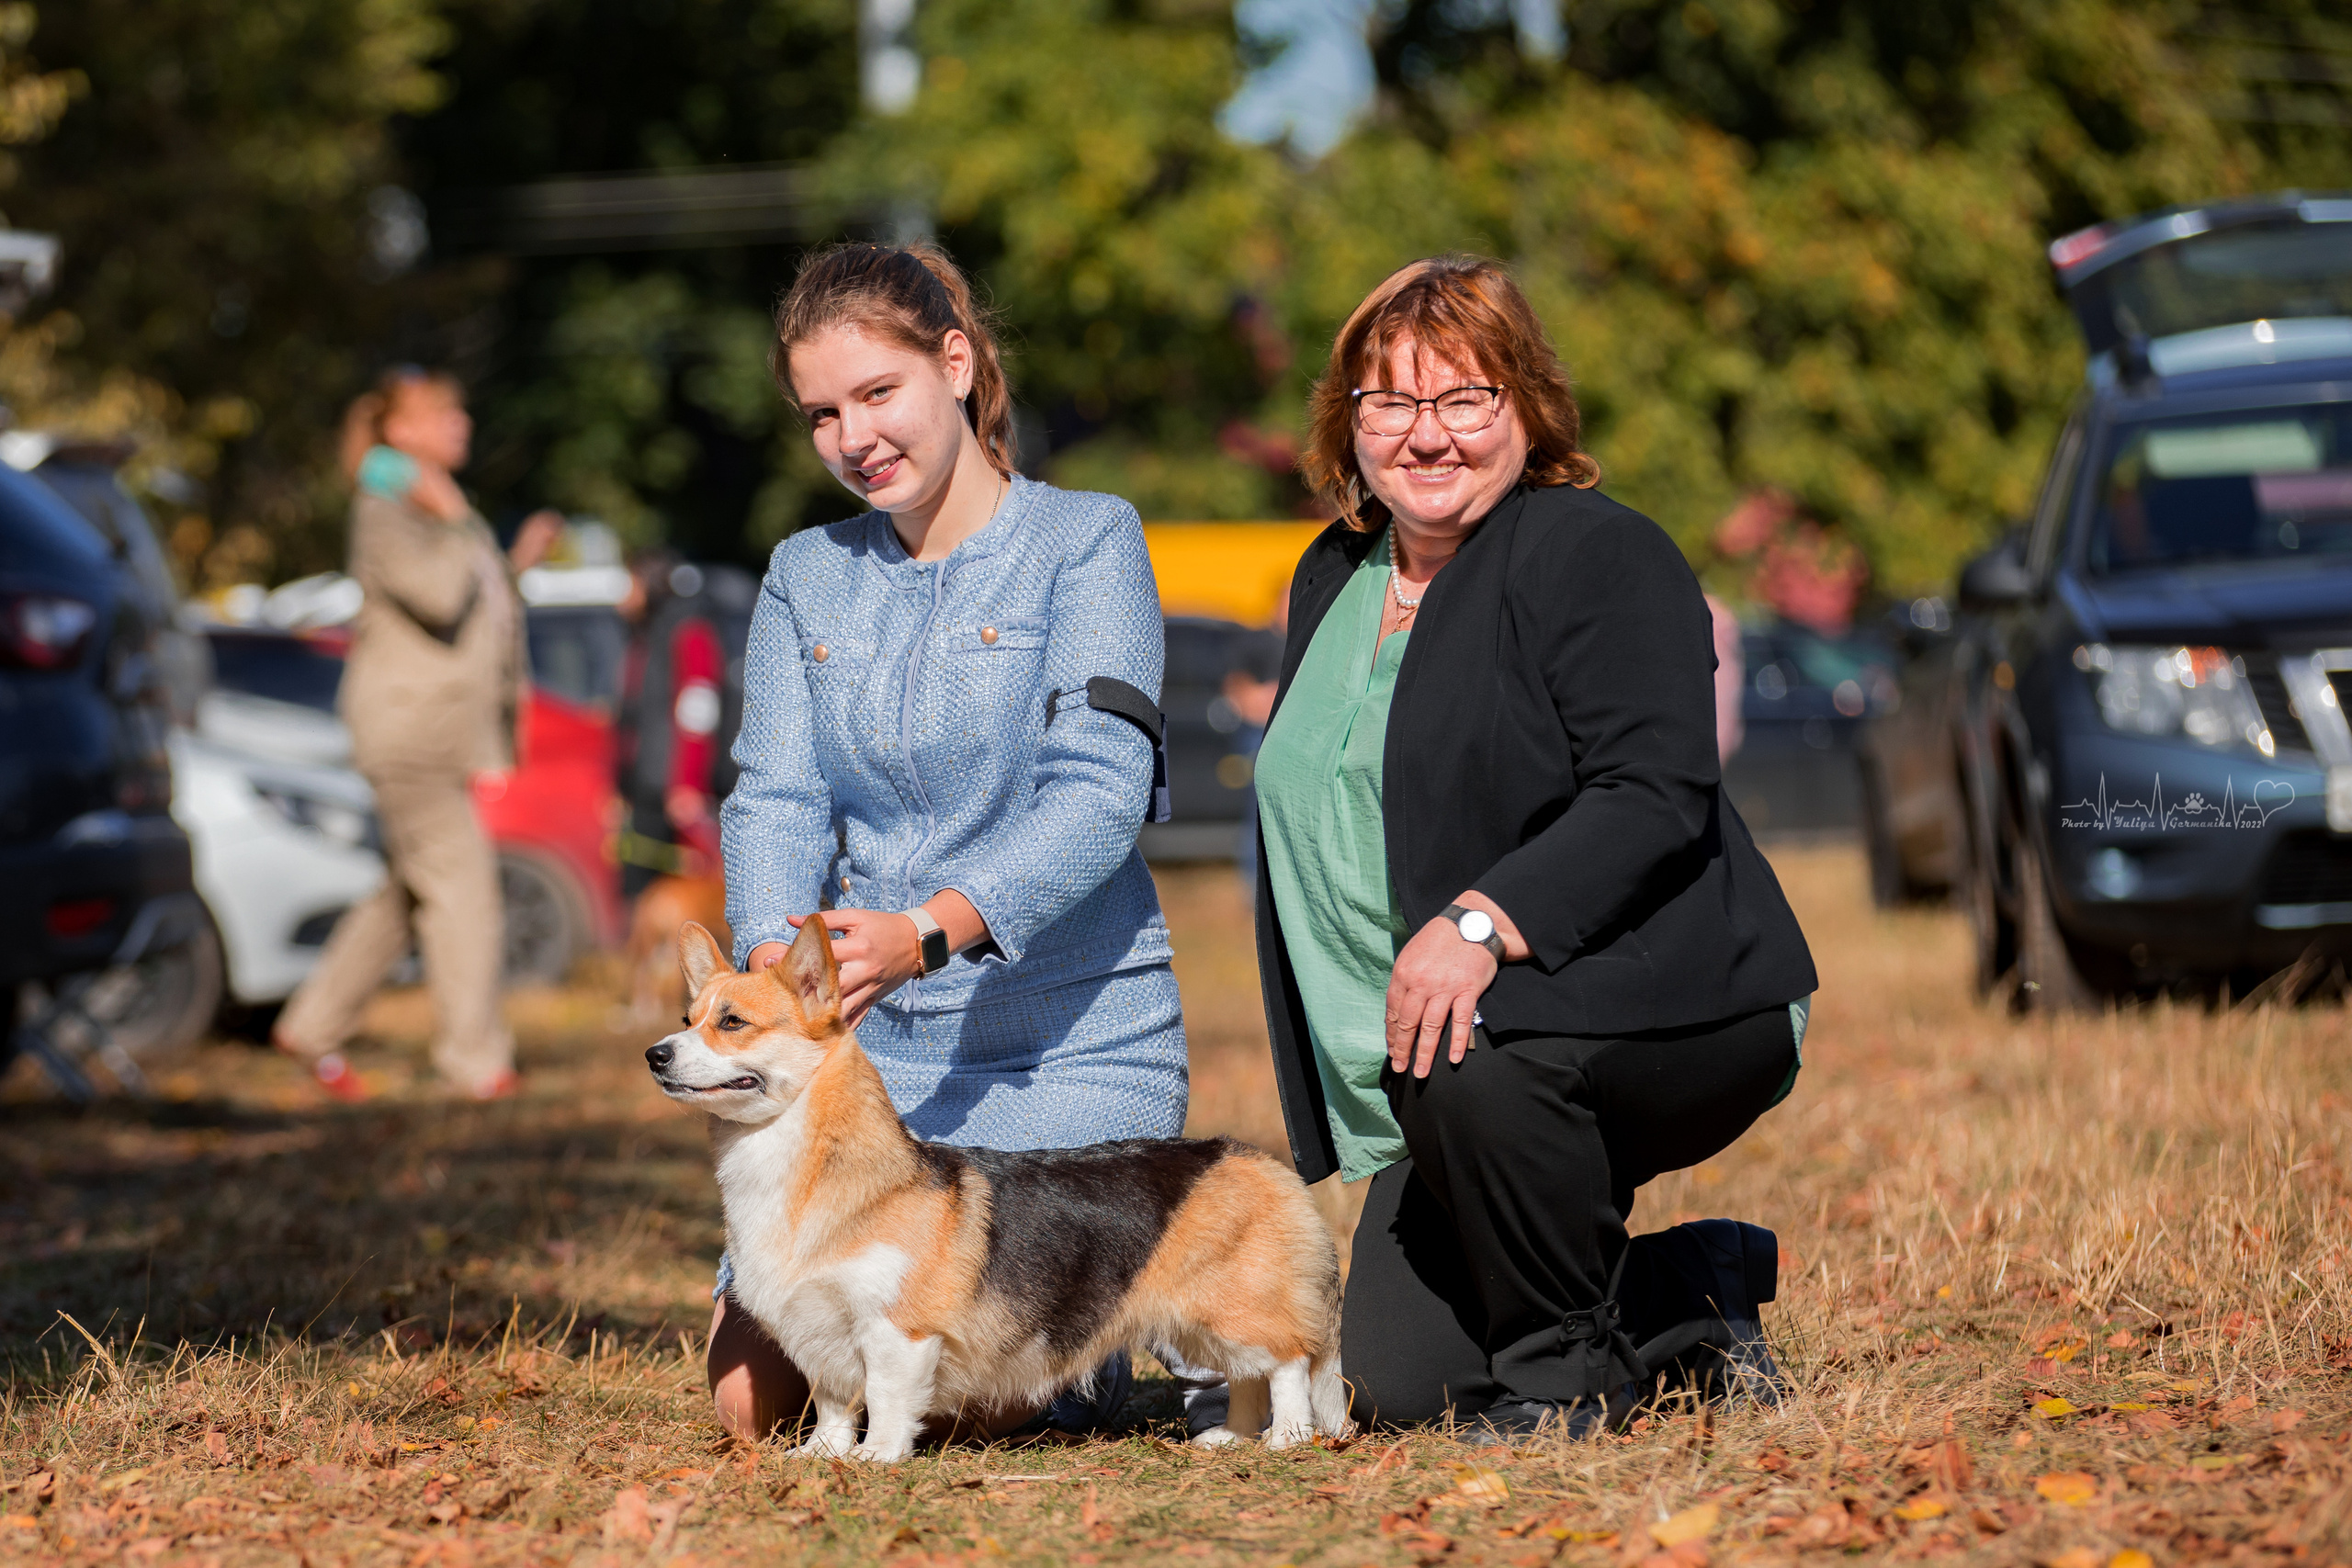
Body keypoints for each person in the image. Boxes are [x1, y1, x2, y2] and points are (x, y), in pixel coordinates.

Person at [1251, 255, 1819, 1438]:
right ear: (1347, 418)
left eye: (1467, 398)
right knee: (1400, 1384)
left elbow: (1656, 789)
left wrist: (1477, 925)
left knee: (1481, 1066)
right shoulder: (1331, 576)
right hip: (1450, 1058)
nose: (1429, 434)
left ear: (1528, 408)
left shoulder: (1591, 552)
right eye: (1393, 401)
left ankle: (1566, 1386)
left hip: (1661, 1002)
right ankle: (1692, 1292)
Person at [705, 241, 1186, 1442]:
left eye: (878, 393)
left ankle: (1128, 1327)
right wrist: (779, 963)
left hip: (1071, 1057)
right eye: (823, 411)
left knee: (971, 1395)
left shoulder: (1089, 540)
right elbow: (774, 797)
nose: (853, 435)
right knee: (751, 1400)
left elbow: (1101, 790)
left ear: (957, 364)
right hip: (873, 1088)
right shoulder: (803, 576)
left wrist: (930, 928)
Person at [274, 367, 532, 1101]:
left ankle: (312, 1025)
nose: (461, 423)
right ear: (400, 432)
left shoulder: (423, 504)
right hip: (407, 732)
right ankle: (474, 1062)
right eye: (442, 414)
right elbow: (439, 594)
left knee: (407, 891)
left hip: (439, 732)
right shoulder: (387, 504)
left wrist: (507, 557)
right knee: (464, 889)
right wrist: (452, 513)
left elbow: (478, 601)